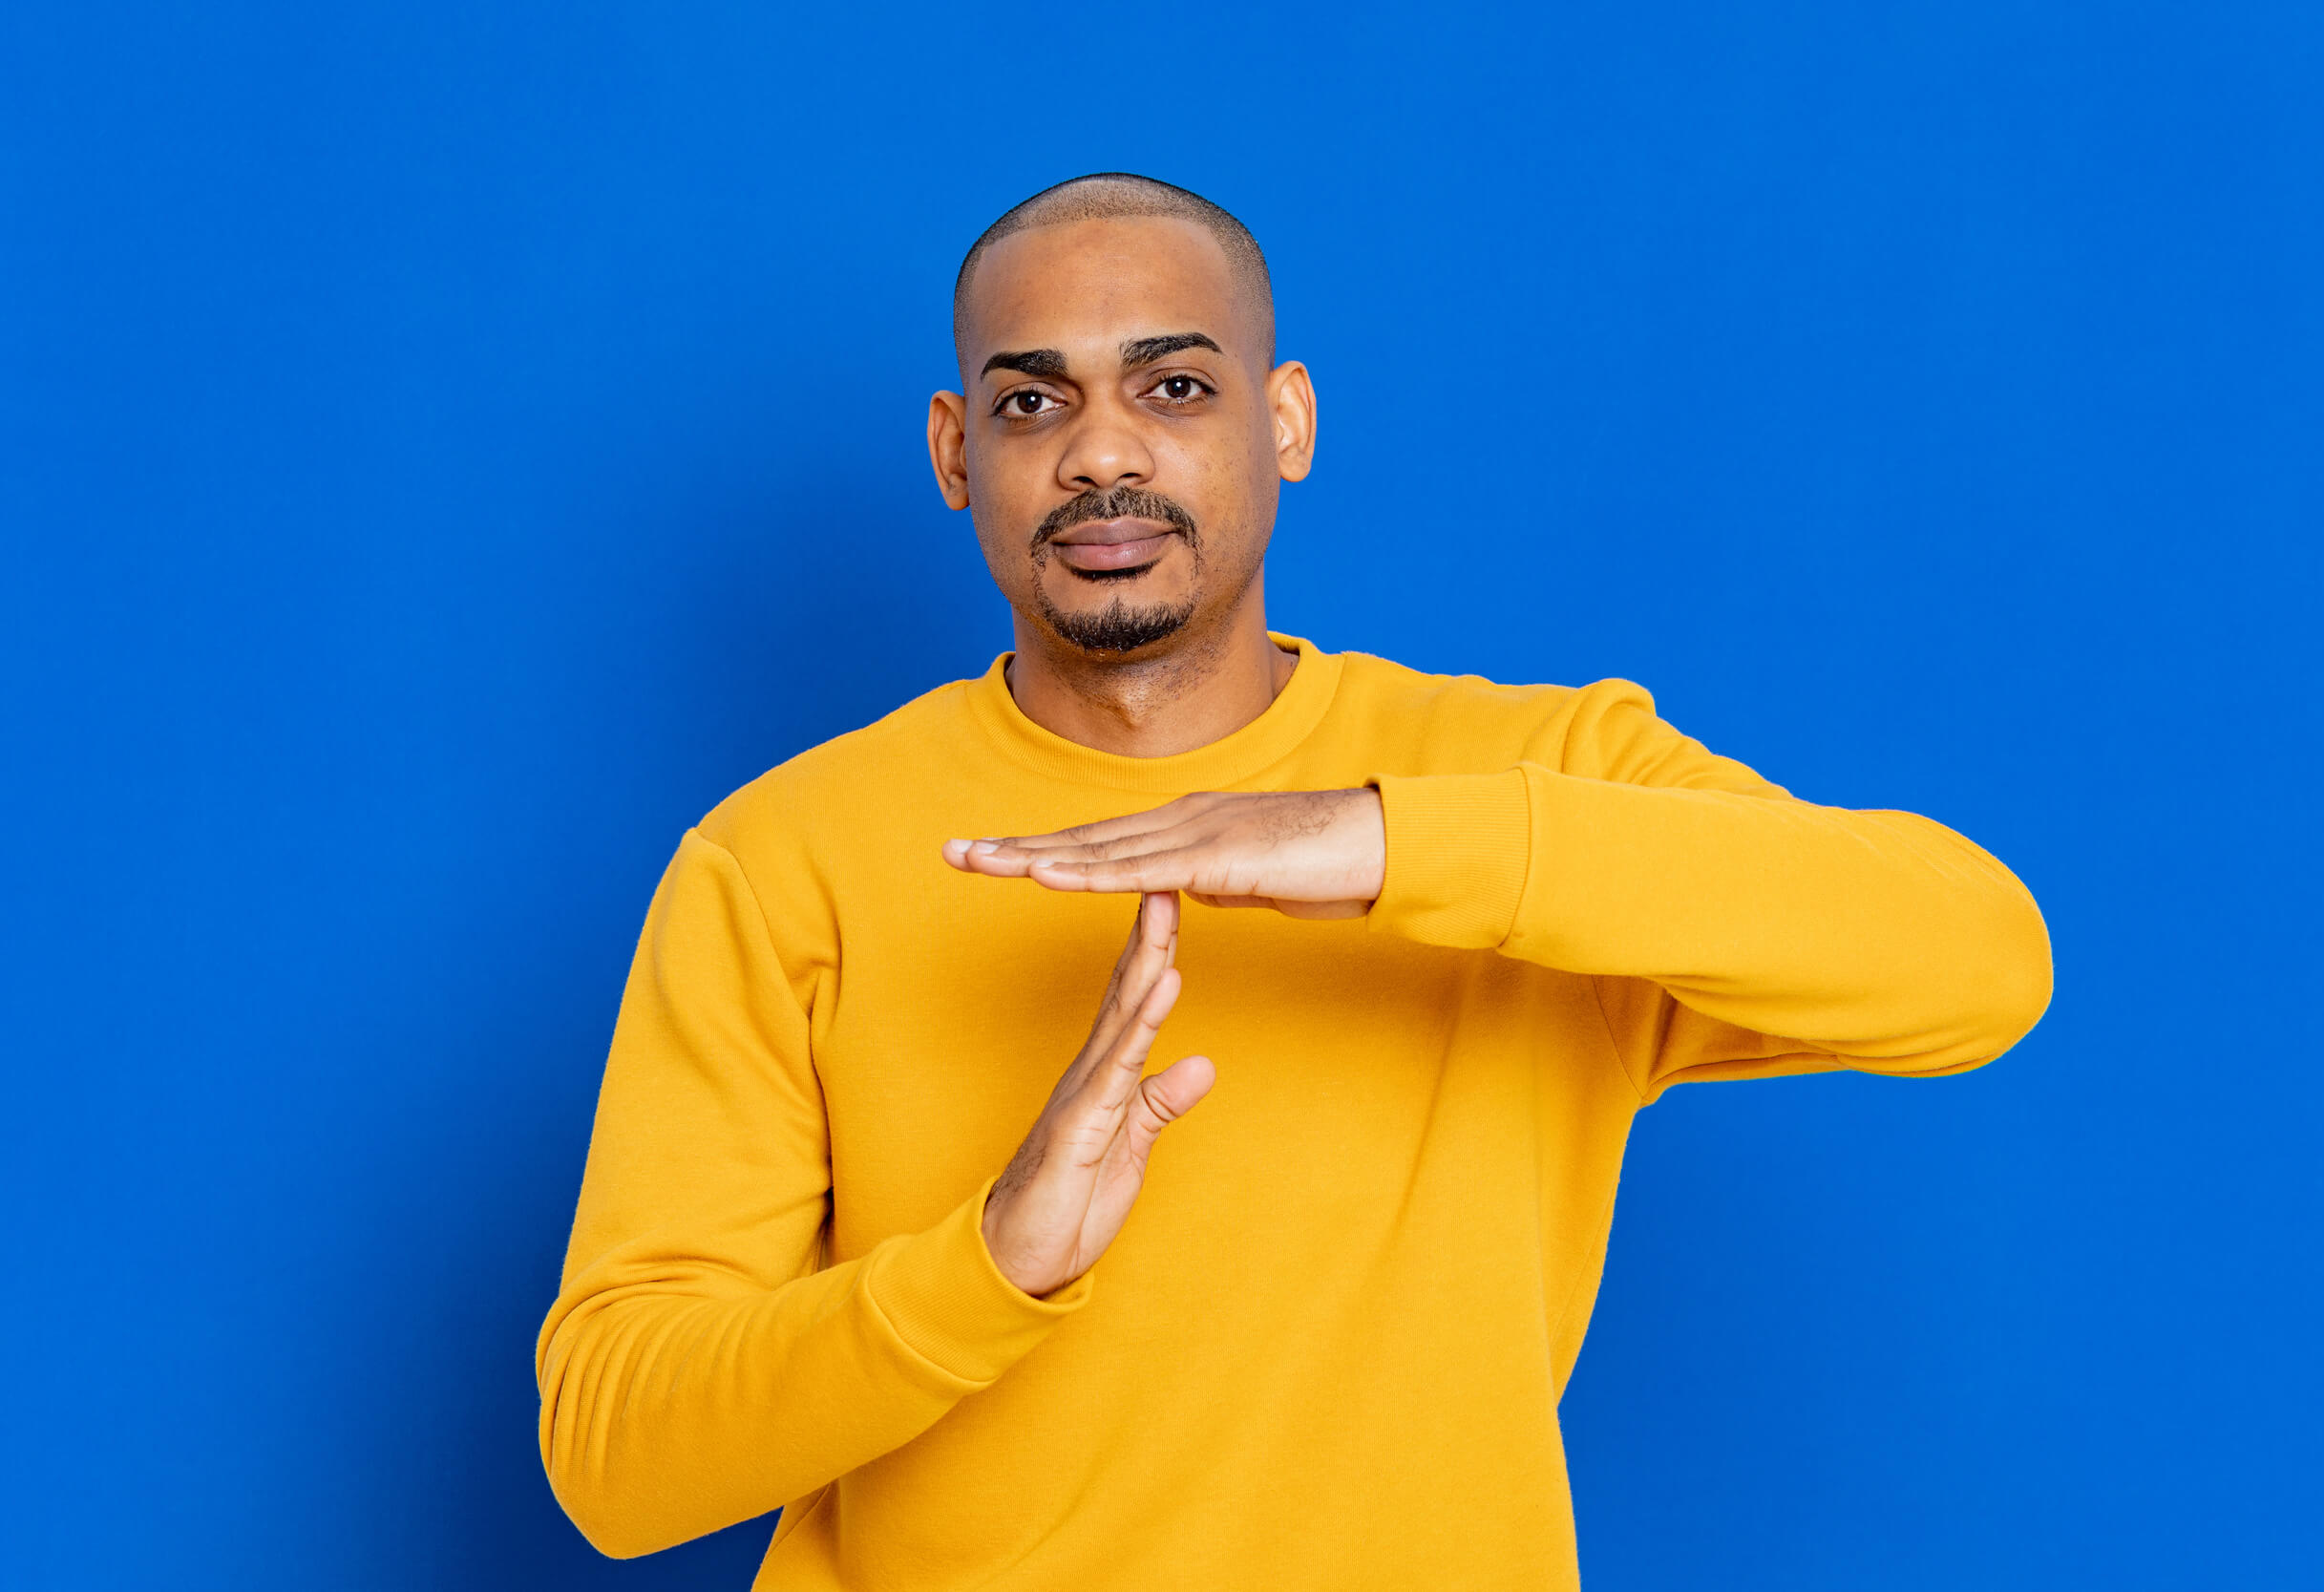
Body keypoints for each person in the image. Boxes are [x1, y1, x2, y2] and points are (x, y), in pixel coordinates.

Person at [536, 172, 2053, 1590]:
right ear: (954, 454)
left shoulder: (1539, 786)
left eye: (1174, 386)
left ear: (1287, 420)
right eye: (1031, 400)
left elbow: (1980, 959)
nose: (1103, 451)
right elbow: (616, 1461)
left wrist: (1398, 842)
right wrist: (985, 1265)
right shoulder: (783, 856)